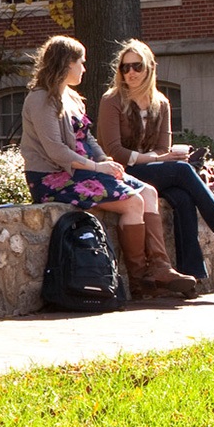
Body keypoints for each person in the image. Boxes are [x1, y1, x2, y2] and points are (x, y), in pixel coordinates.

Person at [19, 34, 199, 301]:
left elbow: (87, 138)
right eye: (80, 62)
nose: (84, 68)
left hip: (84, 170)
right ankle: (140, 281)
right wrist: (97, 167)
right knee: (133, 201)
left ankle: (160, 269)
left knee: (148, 193)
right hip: (53, 177)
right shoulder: (40, 99)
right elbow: (55, 151)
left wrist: (105, 162)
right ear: (66, 63)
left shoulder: (71, 97)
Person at [98, 40, 214, 280]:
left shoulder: (161, 103)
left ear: (149, 68)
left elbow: (163, 148)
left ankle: (191, 274)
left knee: (183, 196)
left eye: (137, 66)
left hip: (152, 171)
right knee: (181, 170)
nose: (131, 73)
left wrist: (161, 157)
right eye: (125, 68)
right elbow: (115, 150)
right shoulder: (112, 100)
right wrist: (156, 158)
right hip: (123, 172)